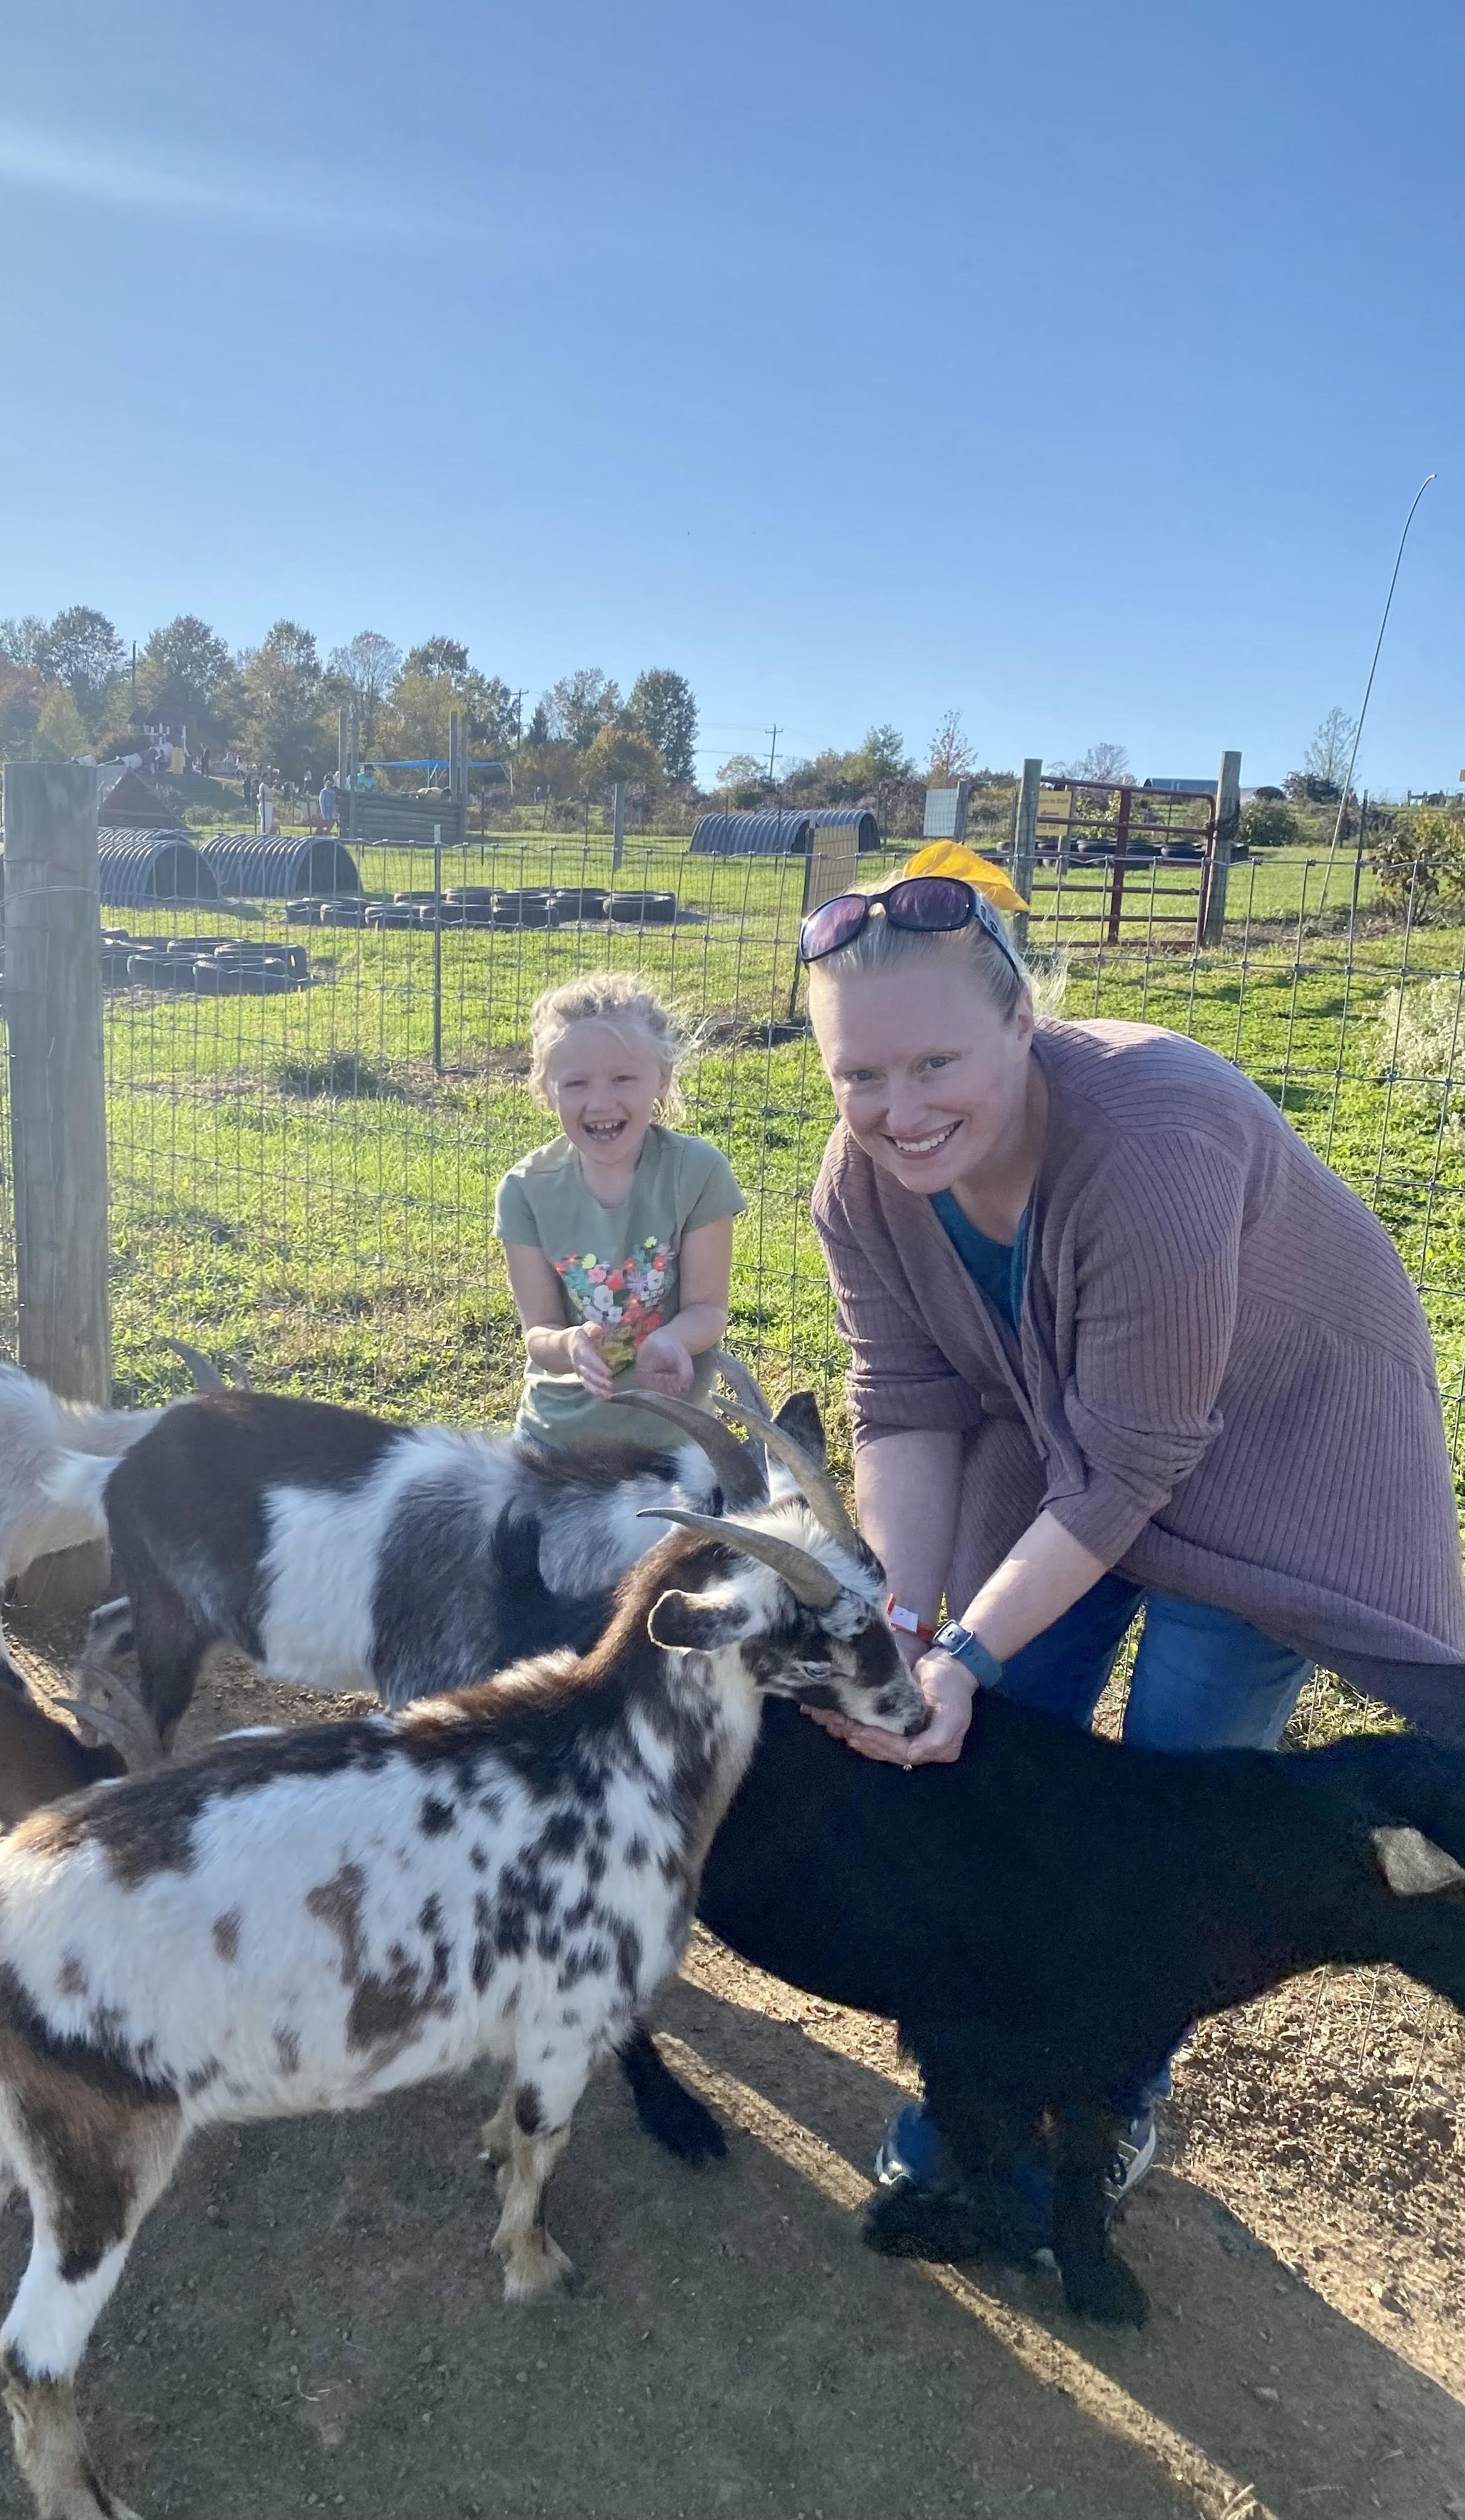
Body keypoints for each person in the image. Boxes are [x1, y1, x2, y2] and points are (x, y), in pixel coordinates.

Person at [795, 856, 1465, 2235]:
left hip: (1270, 1459)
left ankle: (1109, 2086)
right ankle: (983, 2077)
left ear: (1020, 1023)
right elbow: (904, 1406)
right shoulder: (859, 1185)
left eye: (933, 1062)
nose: (896, 1111)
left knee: (1173, 1790)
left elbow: (1131, 1469)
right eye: (857, 1077)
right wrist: (905, 1627)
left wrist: (972, 1644)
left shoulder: (1152, 1138)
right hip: (1051, 1440)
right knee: (989, 1756)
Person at [494, 973, 746, 1450]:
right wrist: (569, 1345)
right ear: (547, 1091)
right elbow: (539, 1331)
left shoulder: (698, 1173)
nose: (601, 1102)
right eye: (576, 1083)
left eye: (623, 1078)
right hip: (556, 1440)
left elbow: (706, 1309)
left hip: (673, 1438)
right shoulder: (523, 1191)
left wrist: (669, 1341)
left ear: (662, 1079)